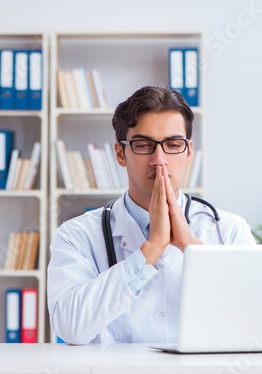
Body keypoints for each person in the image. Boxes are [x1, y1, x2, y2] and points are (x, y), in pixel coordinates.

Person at [47, 86, 255, 345]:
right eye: (144, 145)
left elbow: (252, 324)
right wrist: (152, 247)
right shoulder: (77, 235)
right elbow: (70, 327)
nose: (159, 160)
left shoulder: (229, 230)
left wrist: (190, 247)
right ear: (121, 153)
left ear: (189, 152)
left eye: (173, 145)